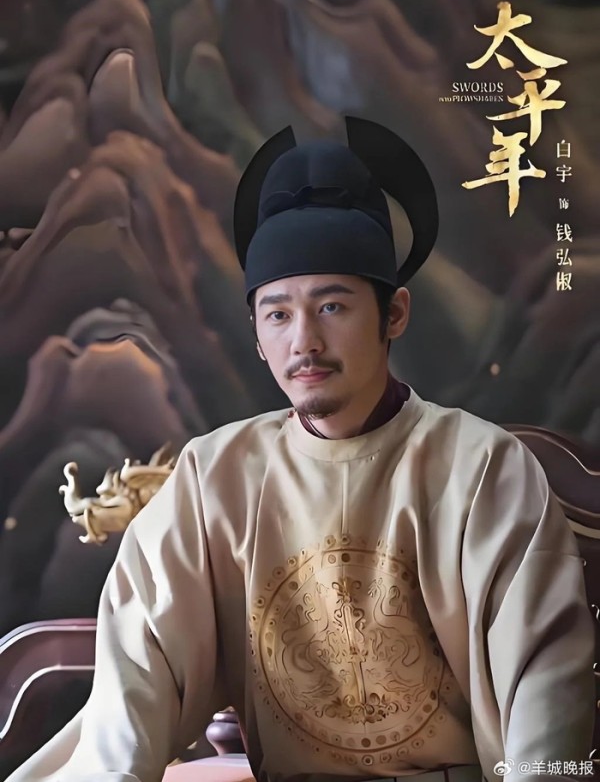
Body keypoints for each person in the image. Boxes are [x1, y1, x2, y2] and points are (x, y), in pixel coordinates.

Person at [7, 117, 595, 782]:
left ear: (394, 313)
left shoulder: (483, 469)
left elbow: (547, 700)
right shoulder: (214, 479)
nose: (304, 341)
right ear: (258, 336)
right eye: (279, 314)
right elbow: (133, 691)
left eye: (333, 307)